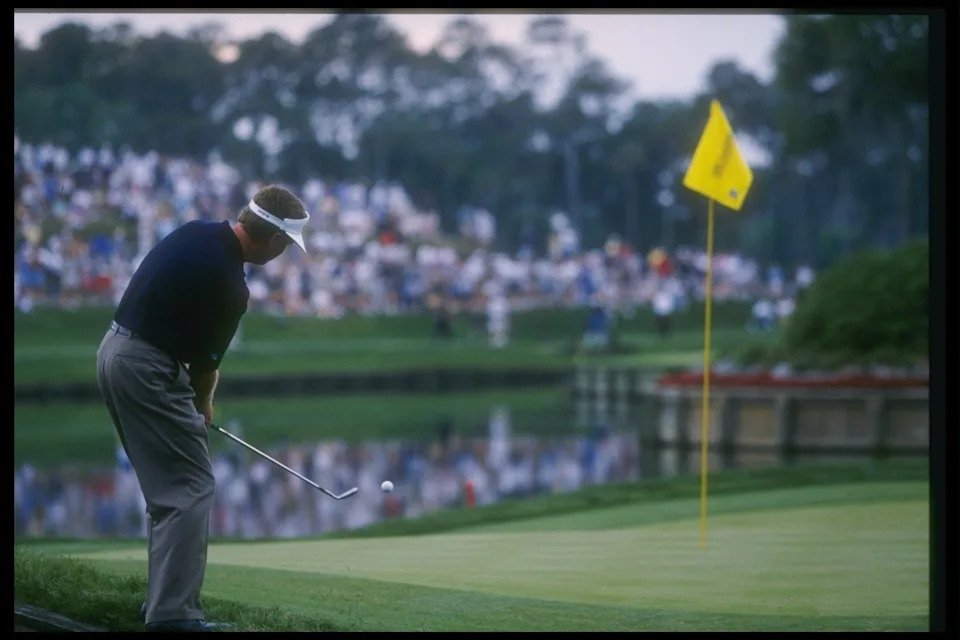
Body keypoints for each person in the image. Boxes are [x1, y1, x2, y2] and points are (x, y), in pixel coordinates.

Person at [96, 184, 309, 632]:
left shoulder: (197, 232)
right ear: (271, 241)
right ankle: (174, 617)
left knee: (167, 489)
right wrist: (203, 407)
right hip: (145, 366)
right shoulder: (231, 286)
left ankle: (160, 605)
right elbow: (205, 372)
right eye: (287, 245)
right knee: (191, 485)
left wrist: (193, 400)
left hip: (114, 351)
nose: (285, 253)